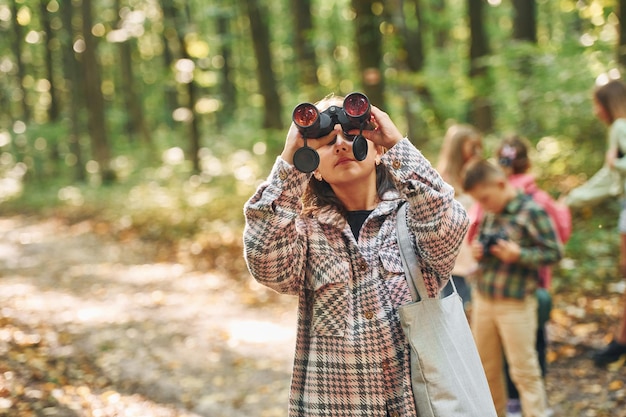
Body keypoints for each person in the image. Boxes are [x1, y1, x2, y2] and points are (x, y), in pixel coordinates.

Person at [243, 94, 469, 417]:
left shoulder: (415, 219)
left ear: (377, 151)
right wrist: (288, 163)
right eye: (325, 140)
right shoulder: (306, 234)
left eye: (350, 133)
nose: (340, 144)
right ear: (313, 169)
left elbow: (448, 228)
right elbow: (265, 262)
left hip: (421, 405)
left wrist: (396, 143)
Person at [475, 135, 572, 416]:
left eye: (485, 198)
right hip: (485, 299)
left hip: (516, 302)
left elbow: (555, 252)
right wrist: (481, 250)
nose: (483, 204)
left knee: (524, 372)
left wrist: (520, 256)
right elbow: (481, 241)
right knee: (487, 370)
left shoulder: (533, 211)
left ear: (501, 184)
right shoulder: (492, 212)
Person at [565, 78, 626, 366]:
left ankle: (620, 342)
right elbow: (607, 178)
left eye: (597, 104)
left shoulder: (619, 127)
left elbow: (611, 174)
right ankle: (620, 339)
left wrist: (616, 164)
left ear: (608, 104)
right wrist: (575, 198)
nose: (595, 111)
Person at [436, 123, 483, 309]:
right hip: (454, 261)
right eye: (472, 147)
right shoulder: (442, 180)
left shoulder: (477, 176)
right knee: (455, 310)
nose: (477, 152)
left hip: (474, 254)